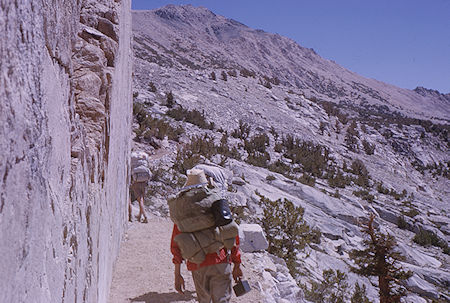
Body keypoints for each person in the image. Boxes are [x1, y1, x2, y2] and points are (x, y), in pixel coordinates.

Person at [170, 168, 243, 303]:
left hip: (197, 265)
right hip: (220, 260)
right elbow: (232, 234)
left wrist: (177, 274)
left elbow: (176, 244)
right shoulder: (216, 203)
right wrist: (237, 263)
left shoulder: (182, 212)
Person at [129, 151, 151, 223]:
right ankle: (139, 215)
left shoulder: (133, 158)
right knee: (142, 199)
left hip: (136, 181)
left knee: (140, 199)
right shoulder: (144, 158)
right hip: (144, 181)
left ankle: (145, 216)